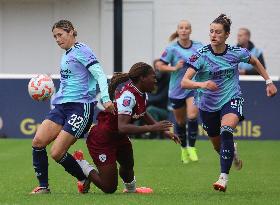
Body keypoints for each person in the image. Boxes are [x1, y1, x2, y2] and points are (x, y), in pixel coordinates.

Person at [181, 14, 277, 192]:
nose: (213, 35)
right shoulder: (201, 55)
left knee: (226, 130)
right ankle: (232, 152)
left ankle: (223, 178)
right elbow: (184, 82)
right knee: (218, 145)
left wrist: (268, 82)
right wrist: (203, 84)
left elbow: (255, 61)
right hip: (207, 104)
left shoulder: (236, 52)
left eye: (218, 32)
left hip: (231, 98)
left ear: (226, 35)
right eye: (211, 31)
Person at [30, 20, 115, 194]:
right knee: (38, 142)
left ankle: (83, 174)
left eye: (60, 35)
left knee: (56, 152)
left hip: (80, 107)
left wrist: (105, 98)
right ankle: (44, 187)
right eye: (54, 36)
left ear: (70, 32)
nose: (57, 39)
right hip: (62, 106)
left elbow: (99, 74)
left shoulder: (82, 50)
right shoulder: (67, 54)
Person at [72, 62, 180, 194]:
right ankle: (81, 163)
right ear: (142, 78)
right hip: (102, 139)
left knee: (128, 164)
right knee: (109, 188)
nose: (155, 80)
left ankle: (131, 190)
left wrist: (163, 131)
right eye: (153, 77)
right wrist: (152, 128)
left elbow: (142, 112)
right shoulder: (128, 96)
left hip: (118, 136)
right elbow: (122, 127)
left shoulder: (142, 92)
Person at [156, 20, 203, 163]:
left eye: (186, 28)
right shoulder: (171, 49)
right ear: (178, 31)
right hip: (177, 89)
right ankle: (183, 149)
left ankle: (192, 148)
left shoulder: (198, 46)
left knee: (193, 115)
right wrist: (174, 68)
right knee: (181, 122)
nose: (184, 30)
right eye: (181, 28)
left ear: (190, 31)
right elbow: (159, 65)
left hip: (192, 87)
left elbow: (206, 60)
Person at [135, 59, 170, 139]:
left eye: (160, 67)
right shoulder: (150, 79)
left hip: (163, 110)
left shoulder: (168, 79)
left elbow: (161, 98)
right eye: (156, 67)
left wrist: (146, 101)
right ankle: (136, 135)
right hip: (148, 108)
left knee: (150, 110)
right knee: (138, 109)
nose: (158, 69)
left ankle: (154, 135)